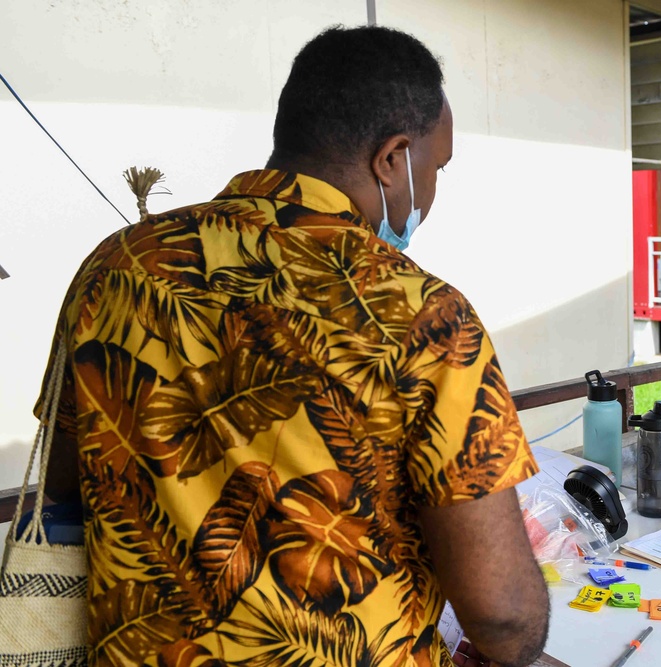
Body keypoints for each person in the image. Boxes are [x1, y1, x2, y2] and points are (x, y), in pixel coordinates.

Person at [36, 26, 549, 666]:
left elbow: (66, 481)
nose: (435, 191)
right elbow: (502, 616)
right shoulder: (424, 317)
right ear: (392, 159)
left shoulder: (117, 266)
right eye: (436, 167)